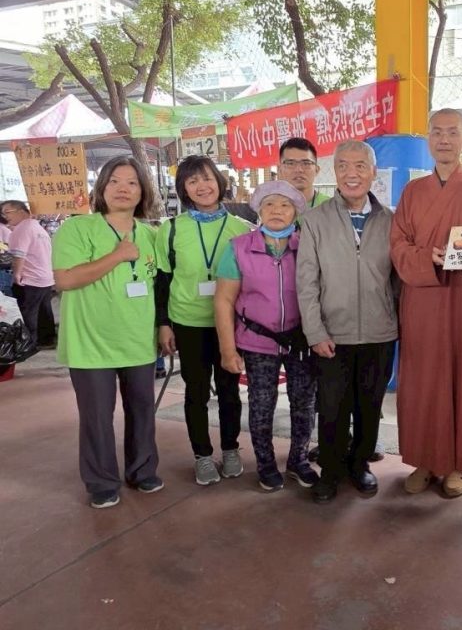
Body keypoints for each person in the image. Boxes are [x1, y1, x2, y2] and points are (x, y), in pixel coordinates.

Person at [390, 108, 462, 497]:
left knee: (460, 377)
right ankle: (423, 460)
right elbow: (398, 245)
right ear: (428, 139)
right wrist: (428, 258)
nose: (444, 139)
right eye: (436, 132)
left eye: (453, 132)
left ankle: (456, 464)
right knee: (421, 380)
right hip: (421, 297)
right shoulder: (412, 192)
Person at [52, 156, 162, 509]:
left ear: (142, 191)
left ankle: (142, 470)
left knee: (142, 410)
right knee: (97, 416)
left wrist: (163, 327)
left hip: (138, 340)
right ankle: (101, 481)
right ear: (101, 188)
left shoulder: (151, 234)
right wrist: (116, 256)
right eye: (114, 181)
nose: (122, 189)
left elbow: (158, 285)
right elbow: (65, 279)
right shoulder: (77, 228)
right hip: (90, 343)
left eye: (132, 182)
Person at [297, 141, 398, 503]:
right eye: (343, 166)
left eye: (359, 166)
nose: (351, 174)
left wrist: (394, 319)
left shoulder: (392, 221)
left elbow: (398, 280)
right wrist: (315, 332)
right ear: (334, 172)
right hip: (331, 334)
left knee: (369, 406)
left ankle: (360, 465)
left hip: (379, 332)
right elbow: (306, 283)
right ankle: (331, 470)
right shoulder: (314, 221)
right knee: (332, 407)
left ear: (373, 172)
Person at [213, 181, 318, 492]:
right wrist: (228, 350)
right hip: (256, 340)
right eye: (269, 204)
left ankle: (299, 460)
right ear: (258, 210)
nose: (276, 211)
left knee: (304, 402)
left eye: (285, 205)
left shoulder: (307, 246)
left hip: (300, 340)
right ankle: (266, 463)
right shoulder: (238, 248)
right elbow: (224, 300)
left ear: (295, 213)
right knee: (261, 403)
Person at [154, 156, 252, 486]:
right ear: (183, 188)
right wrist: (164, 323)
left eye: (207, 178)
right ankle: (202, 455)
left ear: (219, 182)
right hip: (188, 322)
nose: (202, 186)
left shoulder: (241, 229)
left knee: (229, 391)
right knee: (195, 392)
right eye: (193, 180)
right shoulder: (170, 229)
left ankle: (230, 449)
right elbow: (163, 280)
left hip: (231, 325)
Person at [2, 200, 56, 349]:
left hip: (30, 279)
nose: (5, 216)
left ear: (21, 211)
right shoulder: (36, 227)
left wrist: (17, 275)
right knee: (44, 311)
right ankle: (47, 339)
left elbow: (19, 255)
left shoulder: (22, 229)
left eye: (7, 212)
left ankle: (29, 343)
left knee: (28, 312)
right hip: (45, 277)